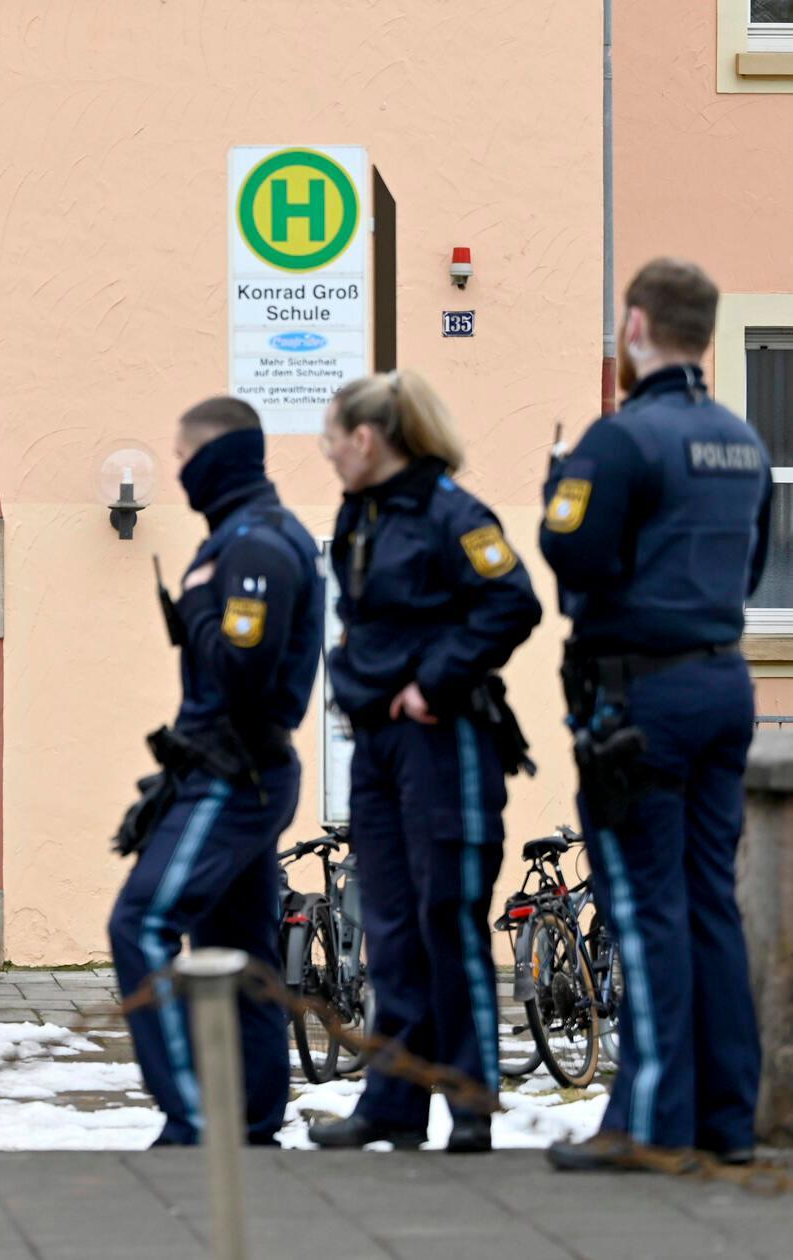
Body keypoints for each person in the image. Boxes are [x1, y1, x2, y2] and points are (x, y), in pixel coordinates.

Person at [541, 259, 772, 1172]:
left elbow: (573, 553)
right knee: (708, 900)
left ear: (634, 326)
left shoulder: (622, 438)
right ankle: (723, 1119)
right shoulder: (740, 440)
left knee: (642, 906)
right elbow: (747, 571)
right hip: (722, 682)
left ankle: (647, 1122)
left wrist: (565, 489)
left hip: (639, 695)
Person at [306, 371, 541, 1154]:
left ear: (366, 440)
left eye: (332, 440)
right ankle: (394, 1105)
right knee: (390, 929)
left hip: (443, 745)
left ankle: (468, 1105)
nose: (328, 455)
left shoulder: (452, 513)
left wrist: (432, 681)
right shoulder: (359, 513)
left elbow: (512, 600)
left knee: (448, 921)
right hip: (376, 746)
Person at [106, 397, 325, 1148]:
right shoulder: (237, 538)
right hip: (228, 768)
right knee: (240, 958)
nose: (178, 470)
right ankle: (253, 1122)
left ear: (217, 458)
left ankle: (193, 1116)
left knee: (139, 921)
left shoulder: (254, 545)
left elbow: (245, 670)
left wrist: (194, 611)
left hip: (233, 774)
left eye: (183, 455)